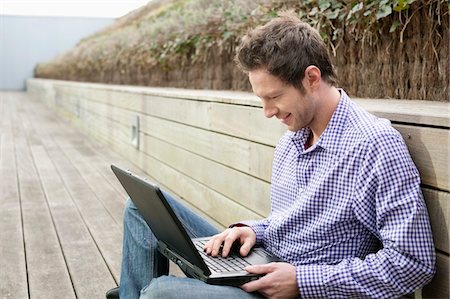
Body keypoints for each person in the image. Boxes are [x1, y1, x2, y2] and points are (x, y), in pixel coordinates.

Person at [106, 10, 435, 299]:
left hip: (300, 290)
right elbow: (289, 221)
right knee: (142, 210)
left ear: (311, 78)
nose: (267, 112)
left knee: (162, 293)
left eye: (274, 96)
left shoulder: (374, 145)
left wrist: (303, 282)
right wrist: (252, 230)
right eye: (261, 99)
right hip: (261, 263)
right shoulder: (292, 139)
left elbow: (412, 262)